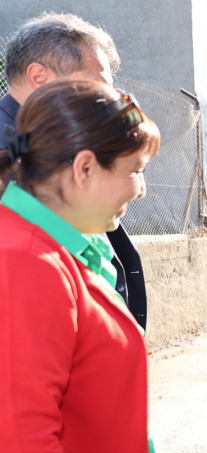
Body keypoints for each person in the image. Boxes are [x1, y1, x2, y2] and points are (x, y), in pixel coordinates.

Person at [0, 79, 160, 453]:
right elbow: (19, 448)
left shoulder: (59, 250)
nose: (141, 189)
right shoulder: (26, 261)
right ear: (84, 168)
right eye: (134, 171)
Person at [1, 13, 147, 331]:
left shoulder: (56, 135)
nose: (106, 99)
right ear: (39, 77)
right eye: (94, 86)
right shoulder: (10, 145)